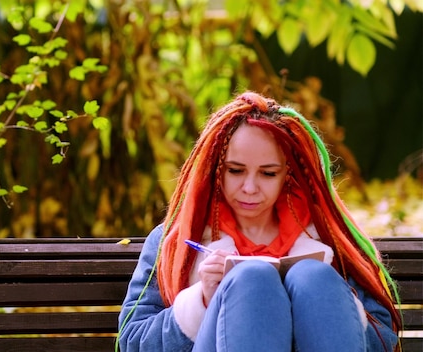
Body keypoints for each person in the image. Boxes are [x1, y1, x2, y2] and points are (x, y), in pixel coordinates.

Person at [116, 91, 401, 352]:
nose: (250, 188)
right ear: (217, 169)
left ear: (287, 174)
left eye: (268, 174)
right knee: (253, 279)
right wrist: (203, 298)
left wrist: (328, 302)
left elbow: (385, 338)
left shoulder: (329, 238)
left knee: (313, 278)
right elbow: (131, 341)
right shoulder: (177, 239)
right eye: (236, 171)